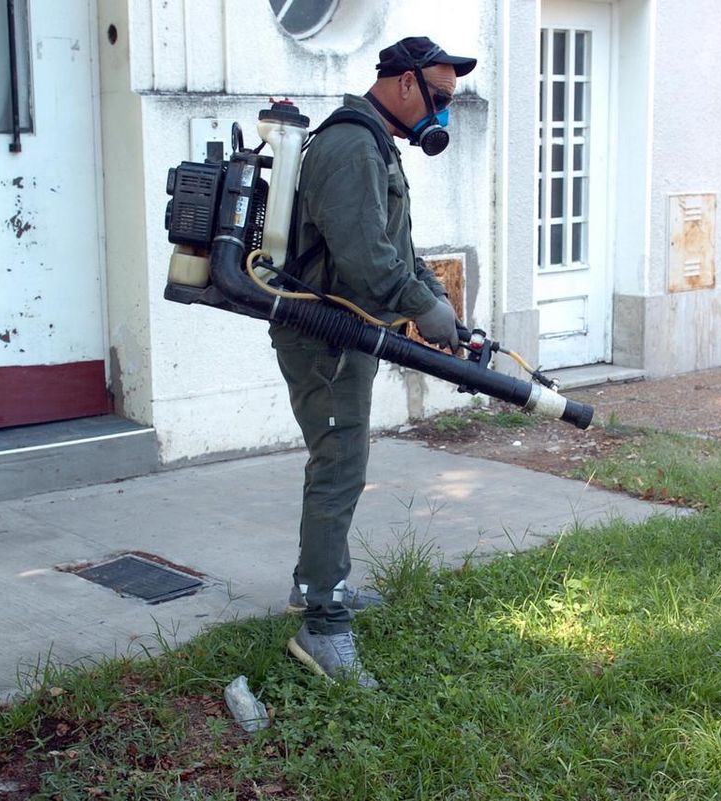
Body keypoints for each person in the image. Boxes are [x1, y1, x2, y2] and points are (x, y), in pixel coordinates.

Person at [271, 37, 477, 689]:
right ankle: (321, 623)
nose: (441, 117)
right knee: (338, 460)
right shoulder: (349, 145)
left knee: (344, 457)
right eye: (439, 100)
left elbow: (398, 249)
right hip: (321, 334)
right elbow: (366, 260)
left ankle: (319, 583)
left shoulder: (376, 143)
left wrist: (436, 304)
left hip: (347, 330)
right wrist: (421, 303)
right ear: (405, 84)